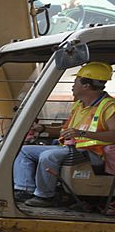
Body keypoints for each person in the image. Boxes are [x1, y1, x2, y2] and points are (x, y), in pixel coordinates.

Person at [16, 62, 114, 207]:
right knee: (24, 150)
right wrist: (42, 129)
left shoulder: (109, 106)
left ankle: (45, 196)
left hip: (94, 153)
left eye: (76, 81)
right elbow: (65, 130)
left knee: (49, 156)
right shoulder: (79, 105)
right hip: (71, 149)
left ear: (86, 86)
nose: (73, 85)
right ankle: (25, 189)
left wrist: (82, 133)